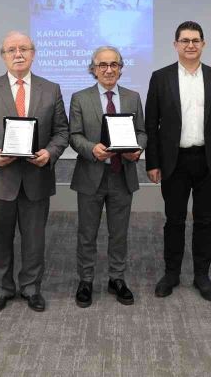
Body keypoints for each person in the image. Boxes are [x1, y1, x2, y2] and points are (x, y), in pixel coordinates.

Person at [0, 31, 69, 313]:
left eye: (24, 48)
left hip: (37, 178)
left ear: (33, 54)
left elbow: (62, 131)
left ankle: (31, 288)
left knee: (34, 240)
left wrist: (50, 153)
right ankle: (2, 289)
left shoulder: (51, 89)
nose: (18, 54)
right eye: (11, 49)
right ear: (3, 56)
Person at [146, 21, 211, 302]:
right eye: (184, 40)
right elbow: (151, 124)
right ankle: (171, 274)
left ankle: (201, 275)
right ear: (175, 45)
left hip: (208, 161)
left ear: (203, 44)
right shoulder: (160, 78)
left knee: (205, 221)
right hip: (174, 161)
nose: (190, 45)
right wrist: (152, 163)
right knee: (174, 220)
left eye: (195, 40)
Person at [69, 46, 147, 308]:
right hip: (91, 175)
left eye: (114, 64)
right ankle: (86, 280)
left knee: (119, 233)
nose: (109, 69)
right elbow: (74, 135)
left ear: (121, 68)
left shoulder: (133, 97)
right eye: (102, 65)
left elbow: (142, 132)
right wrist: (92, 148)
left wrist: (137, 149)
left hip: (121, 175)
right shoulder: (80, 98)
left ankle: (117, 278)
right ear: (93, 69)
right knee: (87, 233)